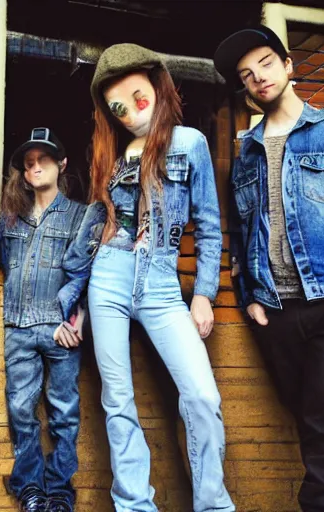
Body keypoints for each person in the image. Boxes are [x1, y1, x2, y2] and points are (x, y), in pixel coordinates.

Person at [214, 25, 324, 512]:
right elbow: (239, 233)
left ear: (290, 66)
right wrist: (250, 297)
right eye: (246, 75)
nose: (258, 77)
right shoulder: (245, 153)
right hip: (278, 313)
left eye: (267, 63)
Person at [87, 43, 235, 512]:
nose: (129, 114)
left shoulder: (190, 143)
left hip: (163, 284)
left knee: (202, 396)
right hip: (107, 277)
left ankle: (212, 504)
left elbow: (210, 227)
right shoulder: (111, 152)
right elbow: (101, 225)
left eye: (138, 98)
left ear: (157, 84)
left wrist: (205, 295)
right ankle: (134, 504)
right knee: (118, 400)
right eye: (118, 108)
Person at [0, 127, 105, 512]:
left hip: (61, 330)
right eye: (29, 162)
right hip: (17, 327)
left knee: (63, 412)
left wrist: (78, 318)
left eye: (44, 160)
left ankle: (59, 492)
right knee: (21, 410)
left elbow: (89, 272)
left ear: (62, 164)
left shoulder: (80, 216)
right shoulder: (11, 218)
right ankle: (31, 489)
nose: (35, 167)